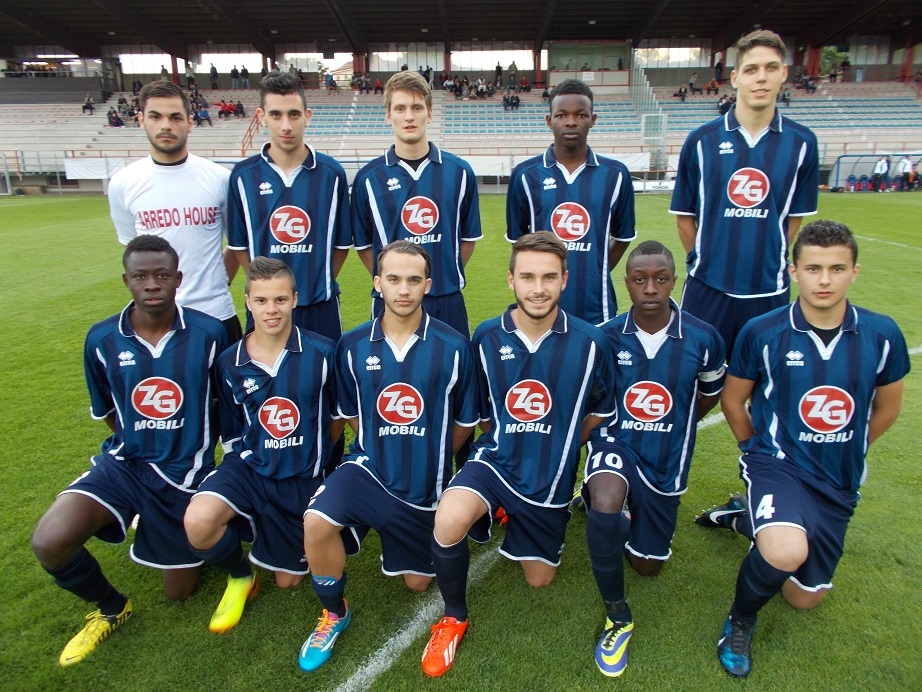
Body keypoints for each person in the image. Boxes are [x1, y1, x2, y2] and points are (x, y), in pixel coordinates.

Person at [693, 221, 909, 678]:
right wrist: (754, 451)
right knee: (786, 552)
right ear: (794, 272)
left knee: (803, 598)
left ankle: (745, 519)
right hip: (778, 467)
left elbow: (888, 408)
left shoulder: (882, 334)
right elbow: (733, 400)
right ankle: (740, 621)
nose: (824, 280)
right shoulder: (763, 331)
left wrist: (853, 447)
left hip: (839, 480)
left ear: (854, 271)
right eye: (813, 268)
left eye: (836, 268)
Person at [420, 232, 616, 678]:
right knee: (449, 519)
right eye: (527, 277)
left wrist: (564, 442)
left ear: (565, 279)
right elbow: (482, 412)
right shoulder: (487, 336)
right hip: (497, 461)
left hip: (550, 477)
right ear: (511, 280)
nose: (538, 288)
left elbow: (600, 410)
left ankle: (513, 513)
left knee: (539, 579)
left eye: (549, 277)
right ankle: (453, 617)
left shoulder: (591, 342)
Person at [30, 236, 228, 666]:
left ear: (178, 278)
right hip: (124, 465)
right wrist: (138, 440)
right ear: (126, 280)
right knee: (49, 540)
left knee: (180, 592)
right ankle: (111, 606)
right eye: (140, 276)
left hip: (183, 476)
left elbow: (223, 407)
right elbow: (108, 411)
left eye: (161, 275)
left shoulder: (209, 334)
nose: (151, 284)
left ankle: (210, 525)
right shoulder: (101, 339)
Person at [299, 242, 478, 671]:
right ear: (377, 283)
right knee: (316, 522)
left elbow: (464, 423)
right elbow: (351, 413)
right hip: (369, 470)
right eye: (393, 279)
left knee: (418, 584)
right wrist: (379, 445)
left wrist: (429, 454)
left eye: (414, 280)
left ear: (428, 285)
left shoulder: (454, 346)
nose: (403, 289)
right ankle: (333, 613)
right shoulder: (352, 345)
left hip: (424, 486)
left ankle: (398, 532)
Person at [578, 240, 725, 677]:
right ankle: (618, 616)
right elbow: (593, 396)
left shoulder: (704, 337)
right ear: (626, 283)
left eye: (660, 279)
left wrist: (676, 422)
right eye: (640, 279)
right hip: (616, 445)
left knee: (647, 567)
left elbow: (708, 394)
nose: (650, 288)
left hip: (667, 457)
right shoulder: (605, 336)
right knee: (607, 499)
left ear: (673, 281)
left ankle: (615, 518)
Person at [184, 258, 346, 634]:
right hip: (250, 469)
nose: (271, 310)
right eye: (261, 300)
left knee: (289, 580)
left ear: (295, 299)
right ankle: (241, 574)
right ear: (247, 302)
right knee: (198, 521)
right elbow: (231, 427)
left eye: (279, 299)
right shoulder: (230, 362)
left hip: (301, 476)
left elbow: (336, 418)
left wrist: (315, 457)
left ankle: (264, 526)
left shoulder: (323, 352)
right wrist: (251, 460)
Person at [670, 29, 819, 358]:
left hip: (768, 290)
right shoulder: (701, 141)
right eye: (751, 69)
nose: (761, 78)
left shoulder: (802, 143)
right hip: (707, 288)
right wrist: (706, 260)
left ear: (783, 73)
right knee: (694, 376)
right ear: (735, 78)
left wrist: (768, 258)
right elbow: (684, 218)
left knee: (764, 379)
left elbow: (793, 221)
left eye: (770, 68)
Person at [108, 81, 241, 343]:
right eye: (155, 116)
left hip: (216, 314)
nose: (166, 125)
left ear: (190, 122)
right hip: (156, 321)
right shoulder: (123, 183)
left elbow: (237, 244)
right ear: (141, 120)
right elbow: (132, 251)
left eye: (175, 117)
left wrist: (217, 284)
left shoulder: (220, 178)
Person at [352, 71, 482, 338]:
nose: (409, 116)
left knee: (454, 365)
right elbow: (364, 247)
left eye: (417, 107)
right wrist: (394, 281)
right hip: (390, 303)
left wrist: (443, 275)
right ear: (388, 115)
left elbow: (467, 241)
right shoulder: (368, 178)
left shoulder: (460, 172)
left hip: (447, 300)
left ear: (429, 113)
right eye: (400, 108)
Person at [227, 70, 351, 343]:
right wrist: (265, 288)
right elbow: (239, 246)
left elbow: (342, 245)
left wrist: (317, 282)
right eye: (276, 115)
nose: (286, 125)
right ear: (261, 116)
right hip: (266, 310)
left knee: (327, 370)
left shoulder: (331, 173)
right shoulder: (243, 176)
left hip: (320, 307)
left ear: (307, 116)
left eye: (294, 114)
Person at [507, 79, 636, 326]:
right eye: (561, 115)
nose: (571, 121)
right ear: (549, 120)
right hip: (541, 307)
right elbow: (518, 242)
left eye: (581, 115)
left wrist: (596, 268)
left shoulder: (616, 175)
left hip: (597, 308)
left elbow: (623, 237)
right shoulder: (525, 175)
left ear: (593, 120)